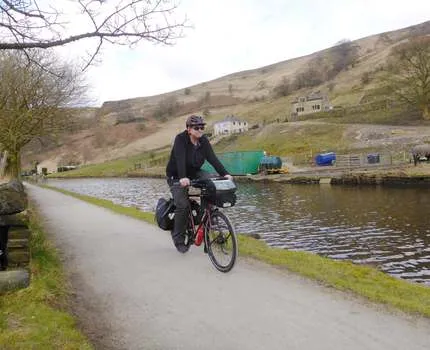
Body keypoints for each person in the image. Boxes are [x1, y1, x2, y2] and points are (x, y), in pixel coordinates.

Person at [166, 115, 233, 253]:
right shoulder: (181, 139)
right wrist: (183, 178)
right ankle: (178, 239)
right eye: (197, 127)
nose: (200, 130)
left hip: (195, 172)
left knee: (211, 186)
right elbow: (179, 159)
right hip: (177, 175)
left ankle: (207, 220)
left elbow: (213, 159)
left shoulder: (203, 141)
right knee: (183, 205)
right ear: (189, 129)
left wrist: (225, 174)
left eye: (202, 127)